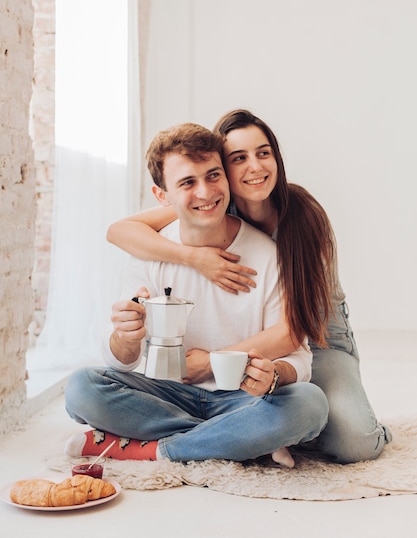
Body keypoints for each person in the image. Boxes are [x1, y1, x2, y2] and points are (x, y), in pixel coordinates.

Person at [106, 109, 391, 464]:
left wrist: (211, 362)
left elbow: (292, 332)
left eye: (263, 152)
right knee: (90, 386)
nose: (254, 167)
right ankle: (246, 433)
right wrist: (195, 258)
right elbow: (119, 231)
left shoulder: (304, 217)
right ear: (223, 170)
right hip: (256, 345)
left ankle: (274, 429)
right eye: (238, 158)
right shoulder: (212, 203)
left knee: (353, 442)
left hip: (319, 335)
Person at [64, 123, 329, 465]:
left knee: (309, 404)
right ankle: (238, 438)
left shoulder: (270, 256)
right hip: (165, 393)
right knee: (82, 387)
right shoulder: (149, 252)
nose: (205, 193)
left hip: (241, 397)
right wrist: (125, 337)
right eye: (188, 182)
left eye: (213, 176)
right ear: (162, 196)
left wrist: (273, 374)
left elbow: (298, 355)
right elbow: (122, 360)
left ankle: (158, 449)